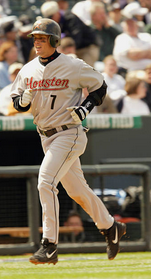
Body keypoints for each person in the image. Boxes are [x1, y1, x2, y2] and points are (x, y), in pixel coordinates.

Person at [10, 18, 126, 265]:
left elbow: (99, 86)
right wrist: (24, 101)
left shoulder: (73, 65)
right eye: (35, 38)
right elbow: (16, 103)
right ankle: (110, 226)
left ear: (54, 40)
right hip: (45, 136)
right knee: (77, 191)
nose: (37, 42)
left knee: (45, 182)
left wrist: (85, 108)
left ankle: (49, 245)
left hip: (69, 132)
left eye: (42, 38)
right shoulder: (28, 69)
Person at [40, 1, 101, 67]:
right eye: (49, 18)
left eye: (52, 16)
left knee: (85, 71)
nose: (51, 19)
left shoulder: (70, 18)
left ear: (57, 12)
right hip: (72, 50)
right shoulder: (53, 25)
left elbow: (76, 39)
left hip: (87, 48)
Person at [113, 5, 151, 72]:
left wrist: (139, 53)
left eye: (132, 23)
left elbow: (136, 54)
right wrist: (147, 52)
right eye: (128, 24)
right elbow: (133, 55)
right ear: (124, 26)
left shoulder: (146, 36)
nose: (131, 26)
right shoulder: (121, 38)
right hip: (132, 73)